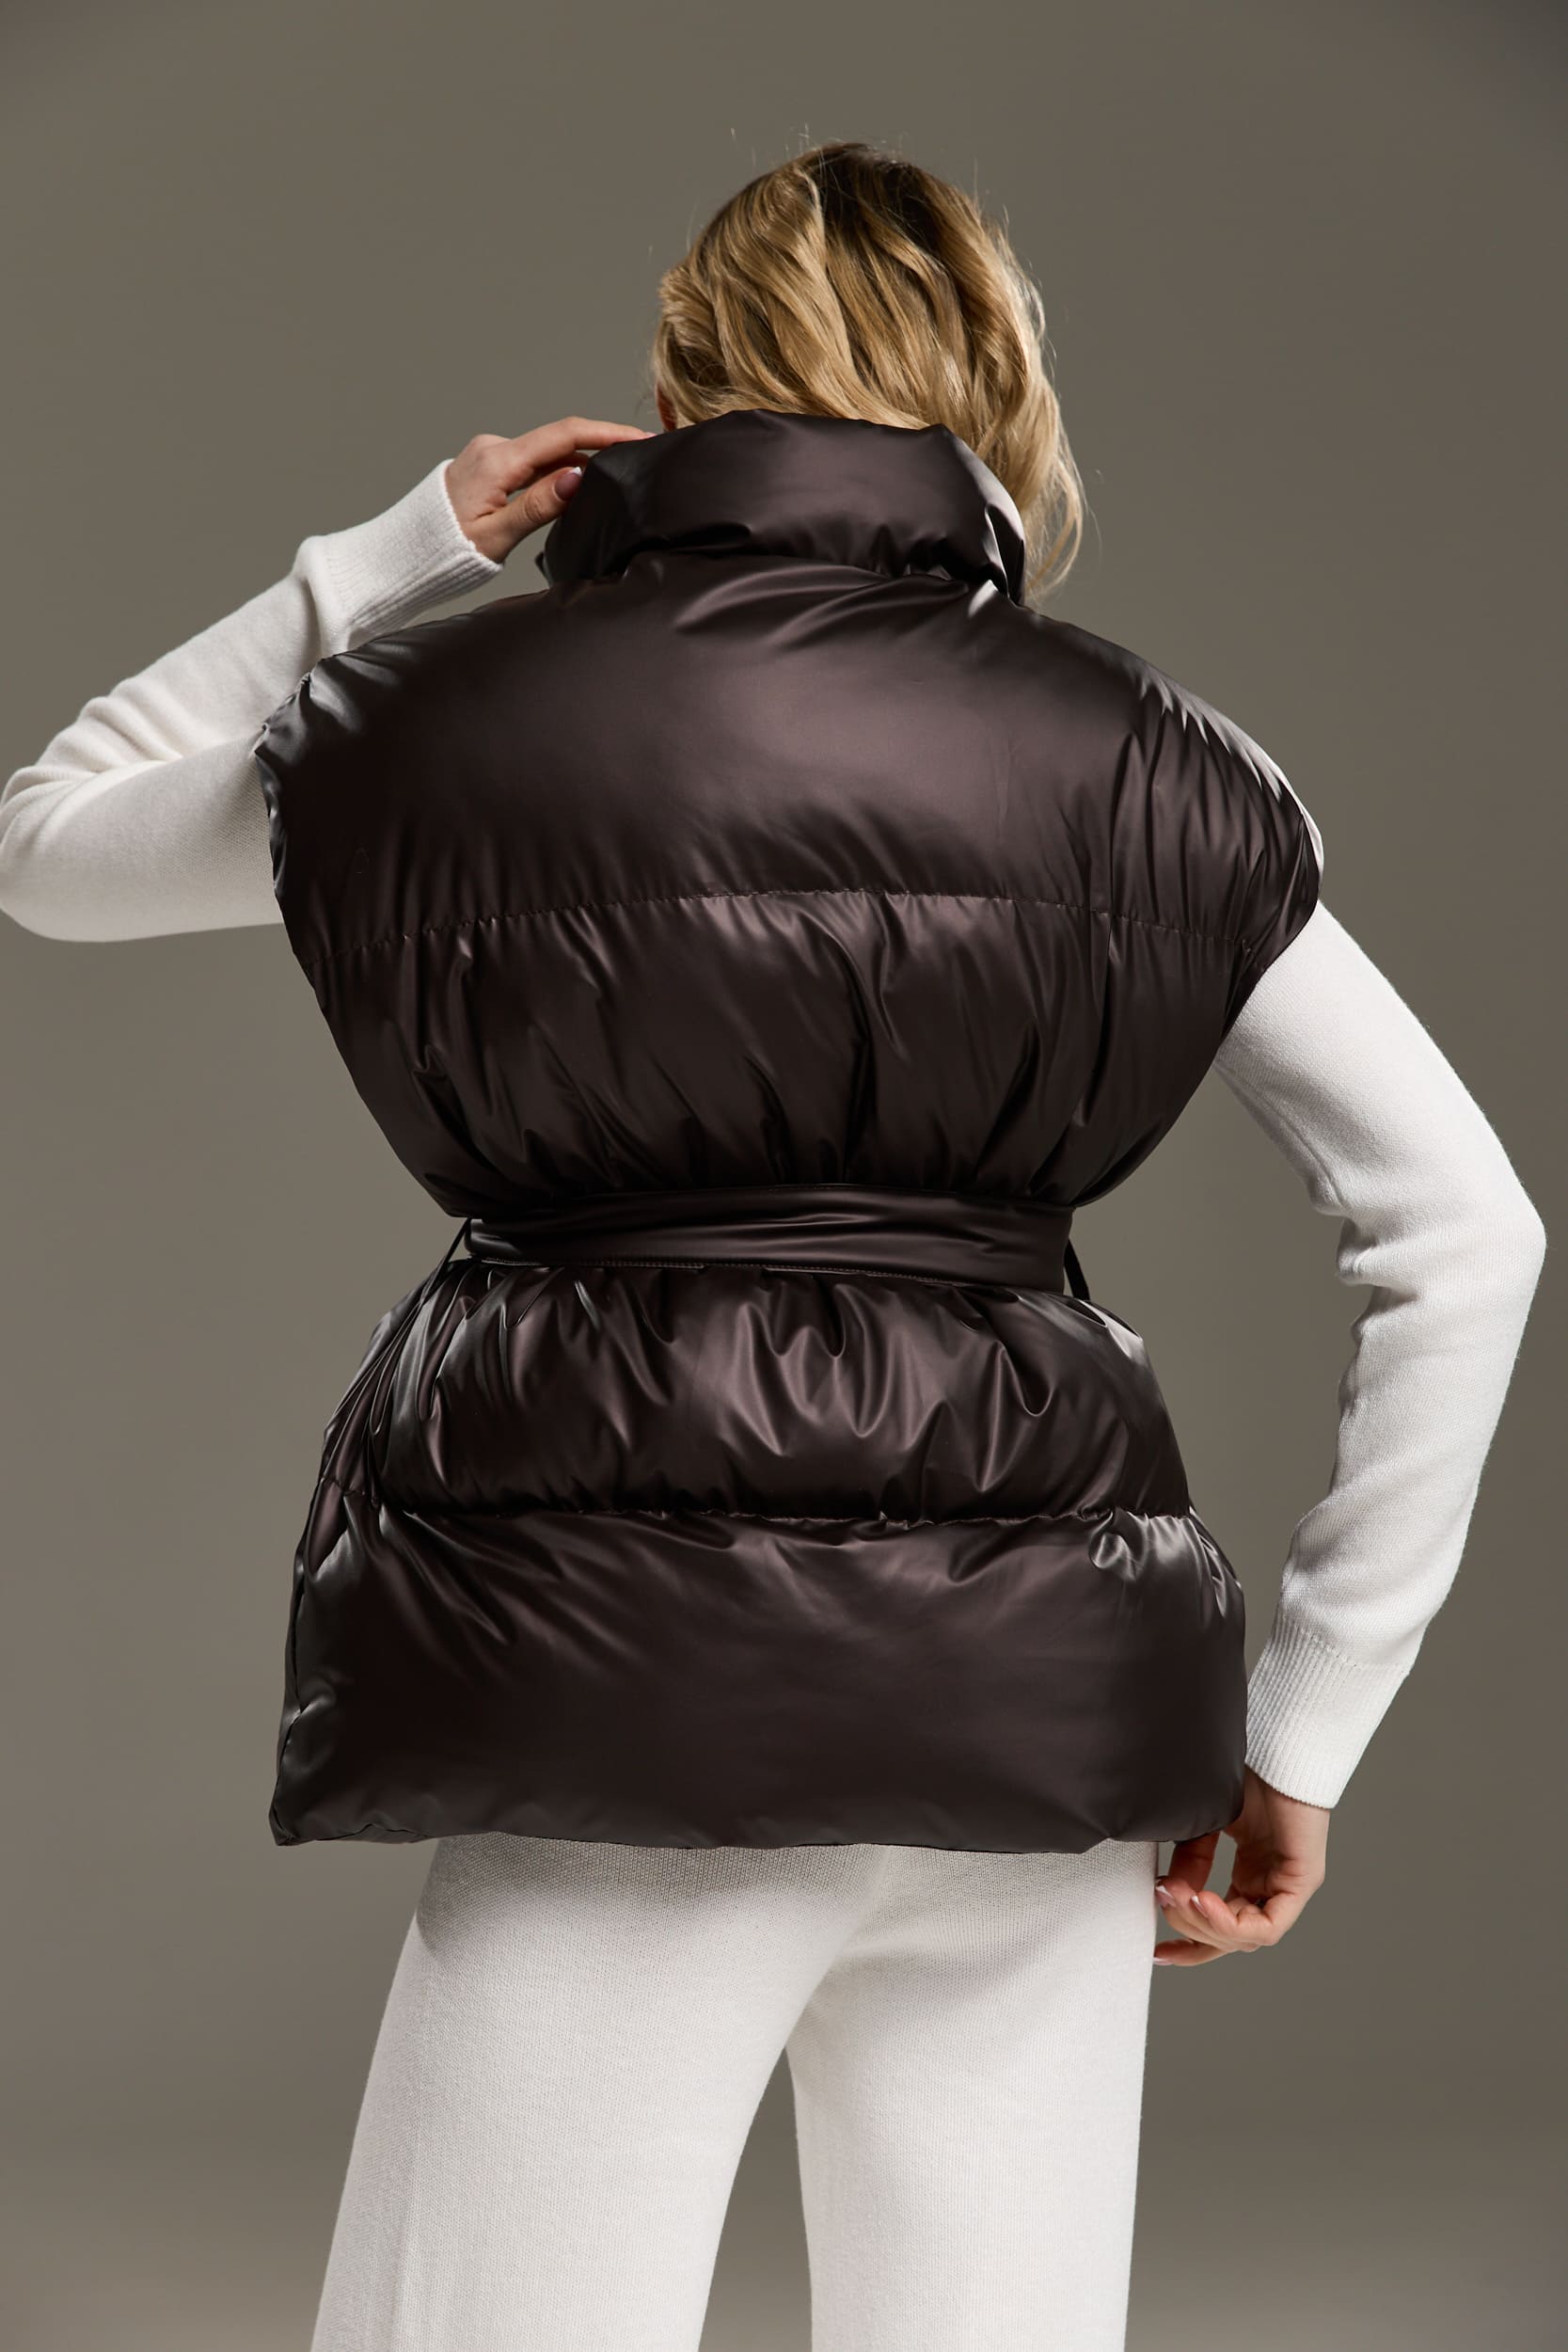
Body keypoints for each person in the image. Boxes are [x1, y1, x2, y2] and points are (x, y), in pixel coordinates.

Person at [0, 142, 1544, 2352]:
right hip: (1036, 1723)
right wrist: (1303, 1727)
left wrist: (403, 550)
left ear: (677, 392)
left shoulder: (439, 732)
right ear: (998, 397)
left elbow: (45, 843)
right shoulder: (1168, 766)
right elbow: (1468, 1230)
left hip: (617, 1694)